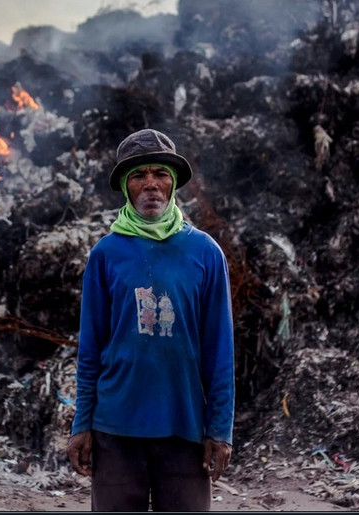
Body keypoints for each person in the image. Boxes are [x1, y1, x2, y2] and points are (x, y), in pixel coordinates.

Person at [67, 128, 235, 511]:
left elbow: (220, 351)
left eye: (160, 173)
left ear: (173, 182)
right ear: (126, 187)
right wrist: (83, 424)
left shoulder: (205, 253)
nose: (151, 185)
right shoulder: (106, 254)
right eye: (138, 176)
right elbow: (90, 349)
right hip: (116, 429)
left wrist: (219, 429)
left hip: (184, 429)